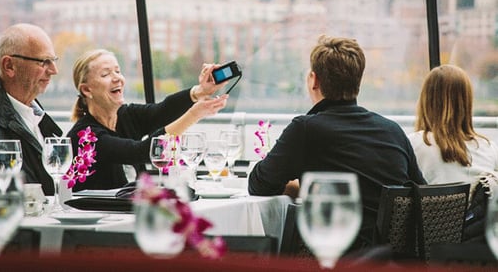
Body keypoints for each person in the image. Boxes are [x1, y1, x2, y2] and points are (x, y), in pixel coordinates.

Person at [248, 34, 425, 249]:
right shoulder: (393, 131)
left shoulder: (305, 129)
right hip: (393, 260)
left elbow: (259, 184)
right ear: (358, 81)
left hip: (333, 254)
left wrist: (299, 187)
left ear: (314, 80)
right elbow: (422, 194)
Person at [66, 48, 228, 191]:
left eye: (117, 71)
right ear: (87, 90)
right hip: (94, 220)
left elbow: (162, 111)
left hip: (124, 214)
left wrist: (199, 91)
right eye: (106, 74)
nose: (117, 78)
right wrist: (194, 114)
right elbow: (142, 151)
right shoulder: (85, 136)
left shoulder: (125, 115)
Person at [0, 23, 63, 204]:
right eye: (43, 61)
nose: (54, 70)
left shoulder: (43, 123)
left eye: (54, 60)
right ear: (9, 66)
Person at [408, 64, 498, 184]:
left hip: (434, 202)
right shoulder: (489, 148)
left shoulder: (414, 145)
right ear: (467, 102)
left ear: (426, 101)